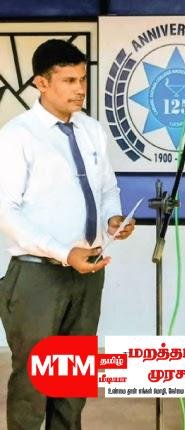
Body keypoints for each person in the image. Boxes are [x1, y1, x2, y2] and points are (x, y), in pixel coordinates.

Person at [0, 39, 135, 430]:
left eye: (83, 79)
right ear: (41, 83)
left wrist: (112, 218)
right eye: (69, 80)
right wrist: (64, 252)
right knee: (33, 385)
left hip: (87, 273)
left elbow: (107, 188)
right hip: (37, 275)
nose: (80, 89)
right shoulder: (18, 136)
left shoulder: (92, 130)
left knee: (73, 383)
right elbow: (5, 211)